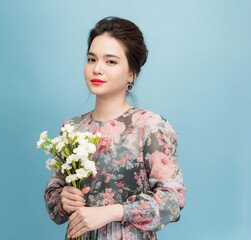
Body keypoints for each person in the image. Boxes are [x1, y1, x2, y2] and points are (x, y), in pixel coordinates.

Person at [44, 16, 187, 240]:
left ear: (132, 73)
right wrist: (64, 199)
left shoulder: (149, 126)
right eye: (91, 59)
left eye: (111, 61)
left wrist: (113, 212)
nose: (97, 69)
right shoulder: (72, 129)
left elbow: (173, 202)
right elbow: (54, 206)